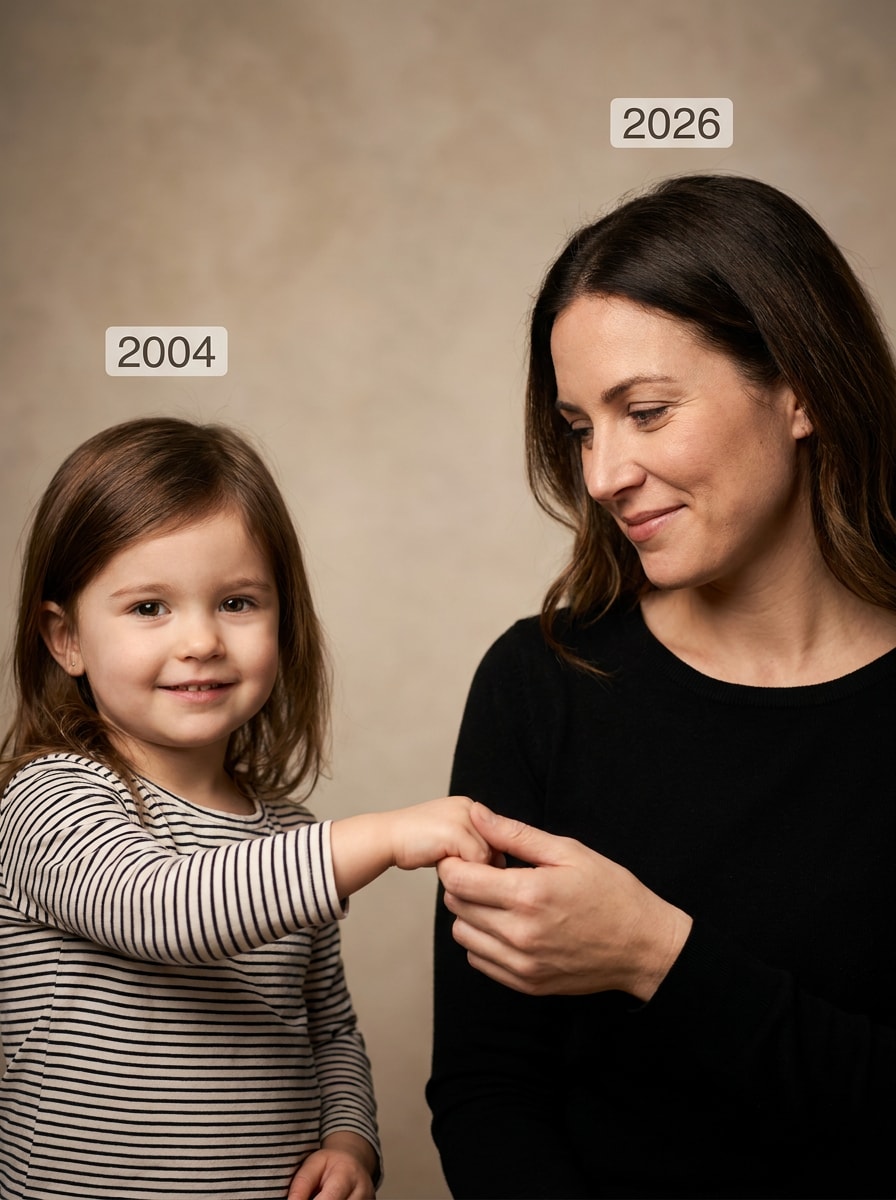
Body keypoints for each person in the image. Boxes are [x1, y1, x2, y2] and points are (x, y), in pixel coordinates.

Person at [426, 174, 896, 1199]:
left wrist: (656, 956)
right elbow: (484, 1088)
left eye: (642, 412)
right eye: (579, 427)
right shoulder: (534, 686)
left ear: (800, 388)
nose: (600, 476)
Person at [0, 417, 491, 1200]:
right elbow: (159, 910)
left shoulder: (289, 837)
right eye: (149, 608)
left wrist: (349, 1139)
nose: (200, 640)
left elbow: (328, 1029)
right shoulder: (52, 796)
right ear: (66, 640)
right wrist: (382, 837)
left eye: (235, 601)